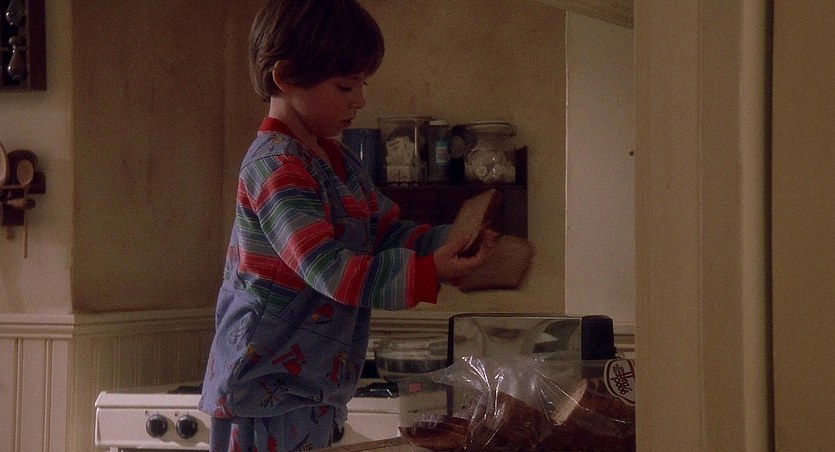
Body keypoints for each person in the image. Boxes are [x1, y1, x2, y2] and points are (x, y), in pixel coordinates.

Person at [198, 1, 497, 450]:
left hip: (316, 387)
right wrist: (430, 270)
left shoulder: (340, 161)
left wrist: (453, 242)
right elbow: (331, 270)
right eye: (345, 86)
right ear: (286, 76)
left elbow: (387, 234)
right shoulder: (276, 167)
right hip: (262, 392)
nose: (360, 100)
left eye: (362, 84)